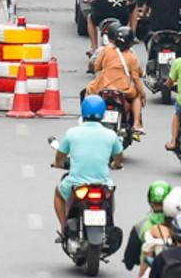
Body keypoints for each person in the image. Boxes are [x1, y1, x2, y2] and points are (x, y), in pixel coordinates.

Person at [53, 94, 125, 235]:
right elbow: (119, 158)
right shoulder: (110, 135)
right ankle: (108, 220)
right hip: (102, 183)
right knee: (110, 195)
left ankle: (63, 228)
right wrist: (116, 165)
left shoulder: (72, 133)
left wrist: (58, 163)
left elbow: (60, 155)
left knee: (58, 194)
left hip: (76, 183)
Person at [87, 20, 147, 137]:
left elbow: (97, 66)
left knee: (89, 89)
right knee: (137, 96)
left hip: (102, 87)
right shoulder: (132, 56)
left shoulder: (107, 50)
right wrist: (143, 93)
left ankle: (86, 117)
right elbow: (136, 79)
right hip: (123, 90)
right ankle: (136, 124)